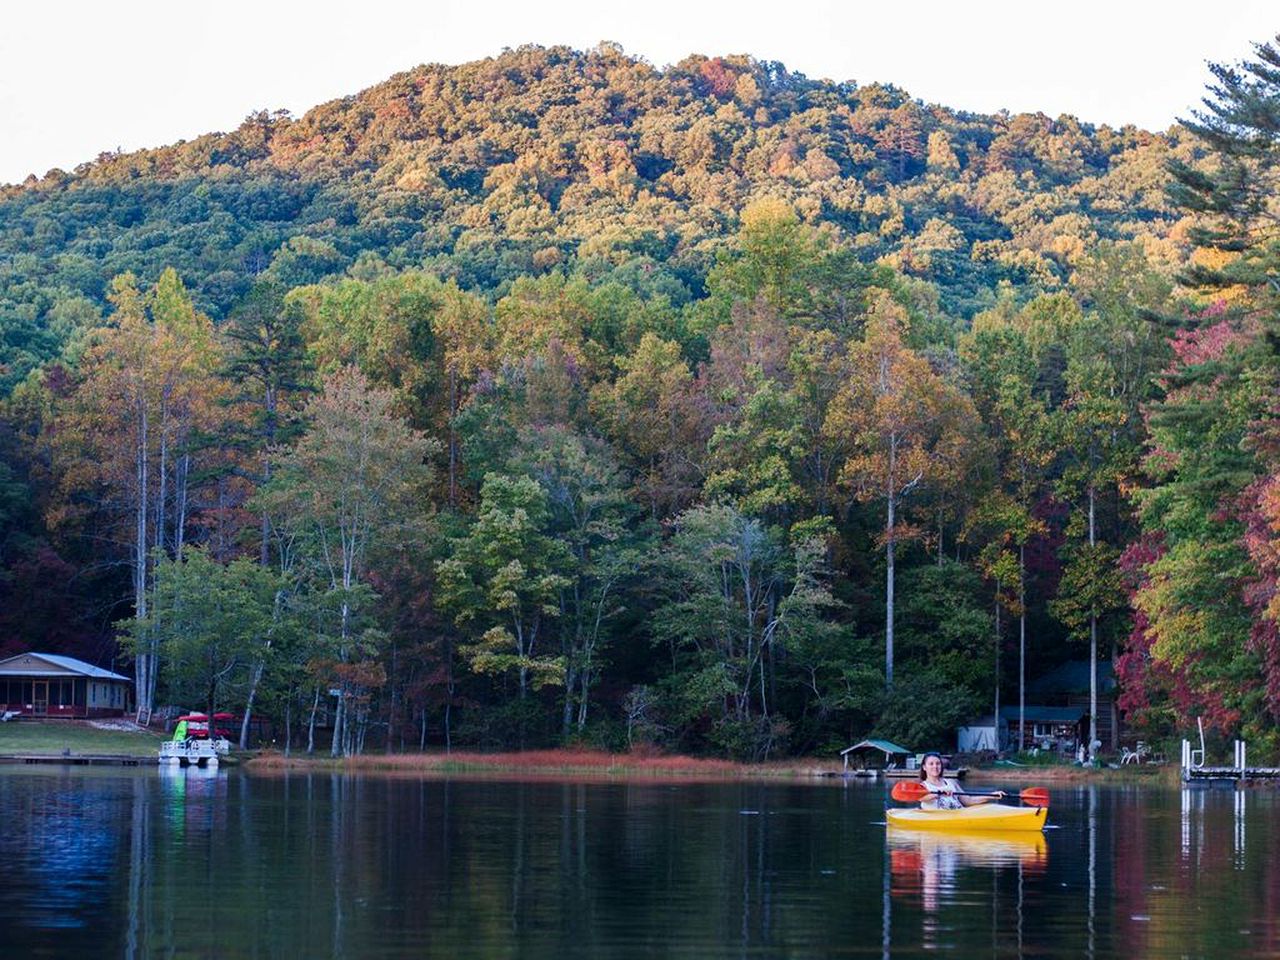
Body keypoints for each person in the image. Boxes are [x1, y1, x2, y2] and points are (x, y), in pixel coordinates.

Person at [918, 752, 1005, 809]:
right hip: (940, 819)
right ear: (924, 767)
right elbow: (922, 797)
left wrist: (992, 795)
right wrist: (939, 792)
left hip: (959, 815)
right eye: (931, 764)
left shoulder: (951, 782)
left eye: (938, 763)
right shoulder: (922, 786)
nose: (935, 767)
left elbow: (969, 801)